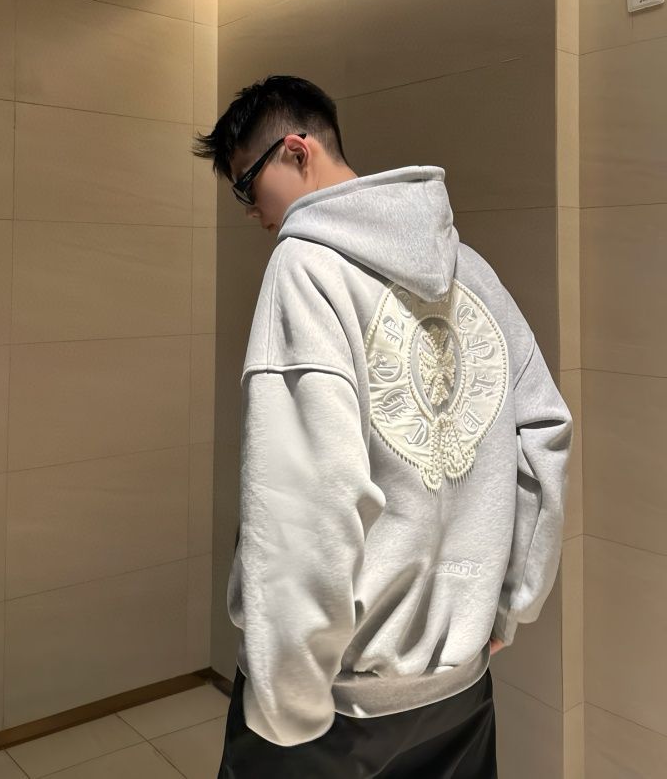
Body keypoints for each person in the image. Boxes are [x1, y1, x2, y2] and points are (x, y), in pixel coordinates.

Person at [192, 75, 573, 778]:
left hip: (335, 711)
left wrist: (286, 699)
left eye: (247, 185)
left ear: (297, 151)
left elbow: (306, 499)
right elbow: (544, 435)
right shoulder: (475, 272)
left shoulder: (303, 267)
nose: (250, 212)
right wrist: (508, 606)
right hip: (460, 691)